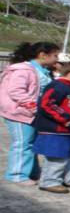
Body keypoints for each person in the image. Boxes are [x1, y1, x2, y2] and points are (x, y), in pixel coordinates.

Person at [0, 42, 60, 185]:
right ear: (43, 55)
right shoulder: (24, 70)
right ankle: (16, 174)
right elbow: (16, 91)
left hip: (30, 113)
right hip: (19, 113)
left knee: (31, 143)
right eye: (55, 55)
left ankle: (30, 172)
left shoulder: (40, 70)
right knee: (22, 143)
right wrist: (34, 107)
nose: (57, 59)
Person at [33, 60, 70, 193]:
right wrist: (65, 118)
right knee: (57, 157)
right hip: (55, 129)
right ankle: (49, 181)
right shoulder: (58, 86)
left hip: (67, 130)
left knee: (69, 156)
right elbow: (47, 105)